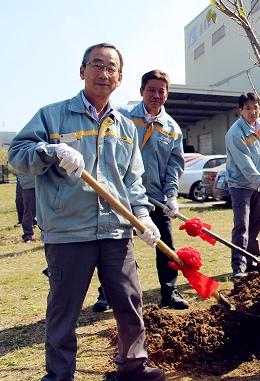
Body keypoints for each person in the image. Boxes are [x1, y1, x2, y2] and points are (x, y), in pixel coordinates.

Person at [8, 43, 166, 381]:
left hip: (116, 232)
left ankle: (133, 366)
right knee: (63, 312)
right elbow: (17, 154)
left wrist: (144, 216)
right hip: (69, 232)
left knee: (129, 304)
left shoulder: (125, 127)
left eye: (111, 68)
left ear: (120, 78)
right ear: (83, 71)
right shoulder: (52, 115)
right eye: (97, 65)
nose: (103, 73)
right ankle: (59, 376)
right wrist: (49, 149)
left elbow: (132, 181)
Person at [93, 70, 188, 311]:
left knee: (165, 244)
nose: (156, 95)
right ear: (141, 92)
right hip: (123, 198)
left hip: (155, 200)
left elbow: (174, 166)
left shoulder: (172, 129)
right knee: (116, 248)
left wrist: (172, 195)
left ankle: (169, 292)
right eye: (151, 90)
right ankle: (106, 294)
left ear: (167, 94)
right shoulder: (122, 117)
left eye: (161, 91)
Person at [225, 92, 260, 280]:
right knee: (242, 226)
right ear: (240, 110)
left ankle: (253, 259)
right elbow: (246, 166)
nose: (252, 112)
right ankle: (238, 267)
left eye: (255, 107)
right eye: (248, 108)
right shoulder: (236, 134)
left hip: (257, 185)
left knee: (254, 225)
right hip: (240, 186)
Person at [19, 172, 37, 243]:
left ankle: (47, 233)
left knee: (48, 211)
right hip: (29, 184)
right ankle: (27, 235)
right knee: (28, 211)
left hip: (45, 184)